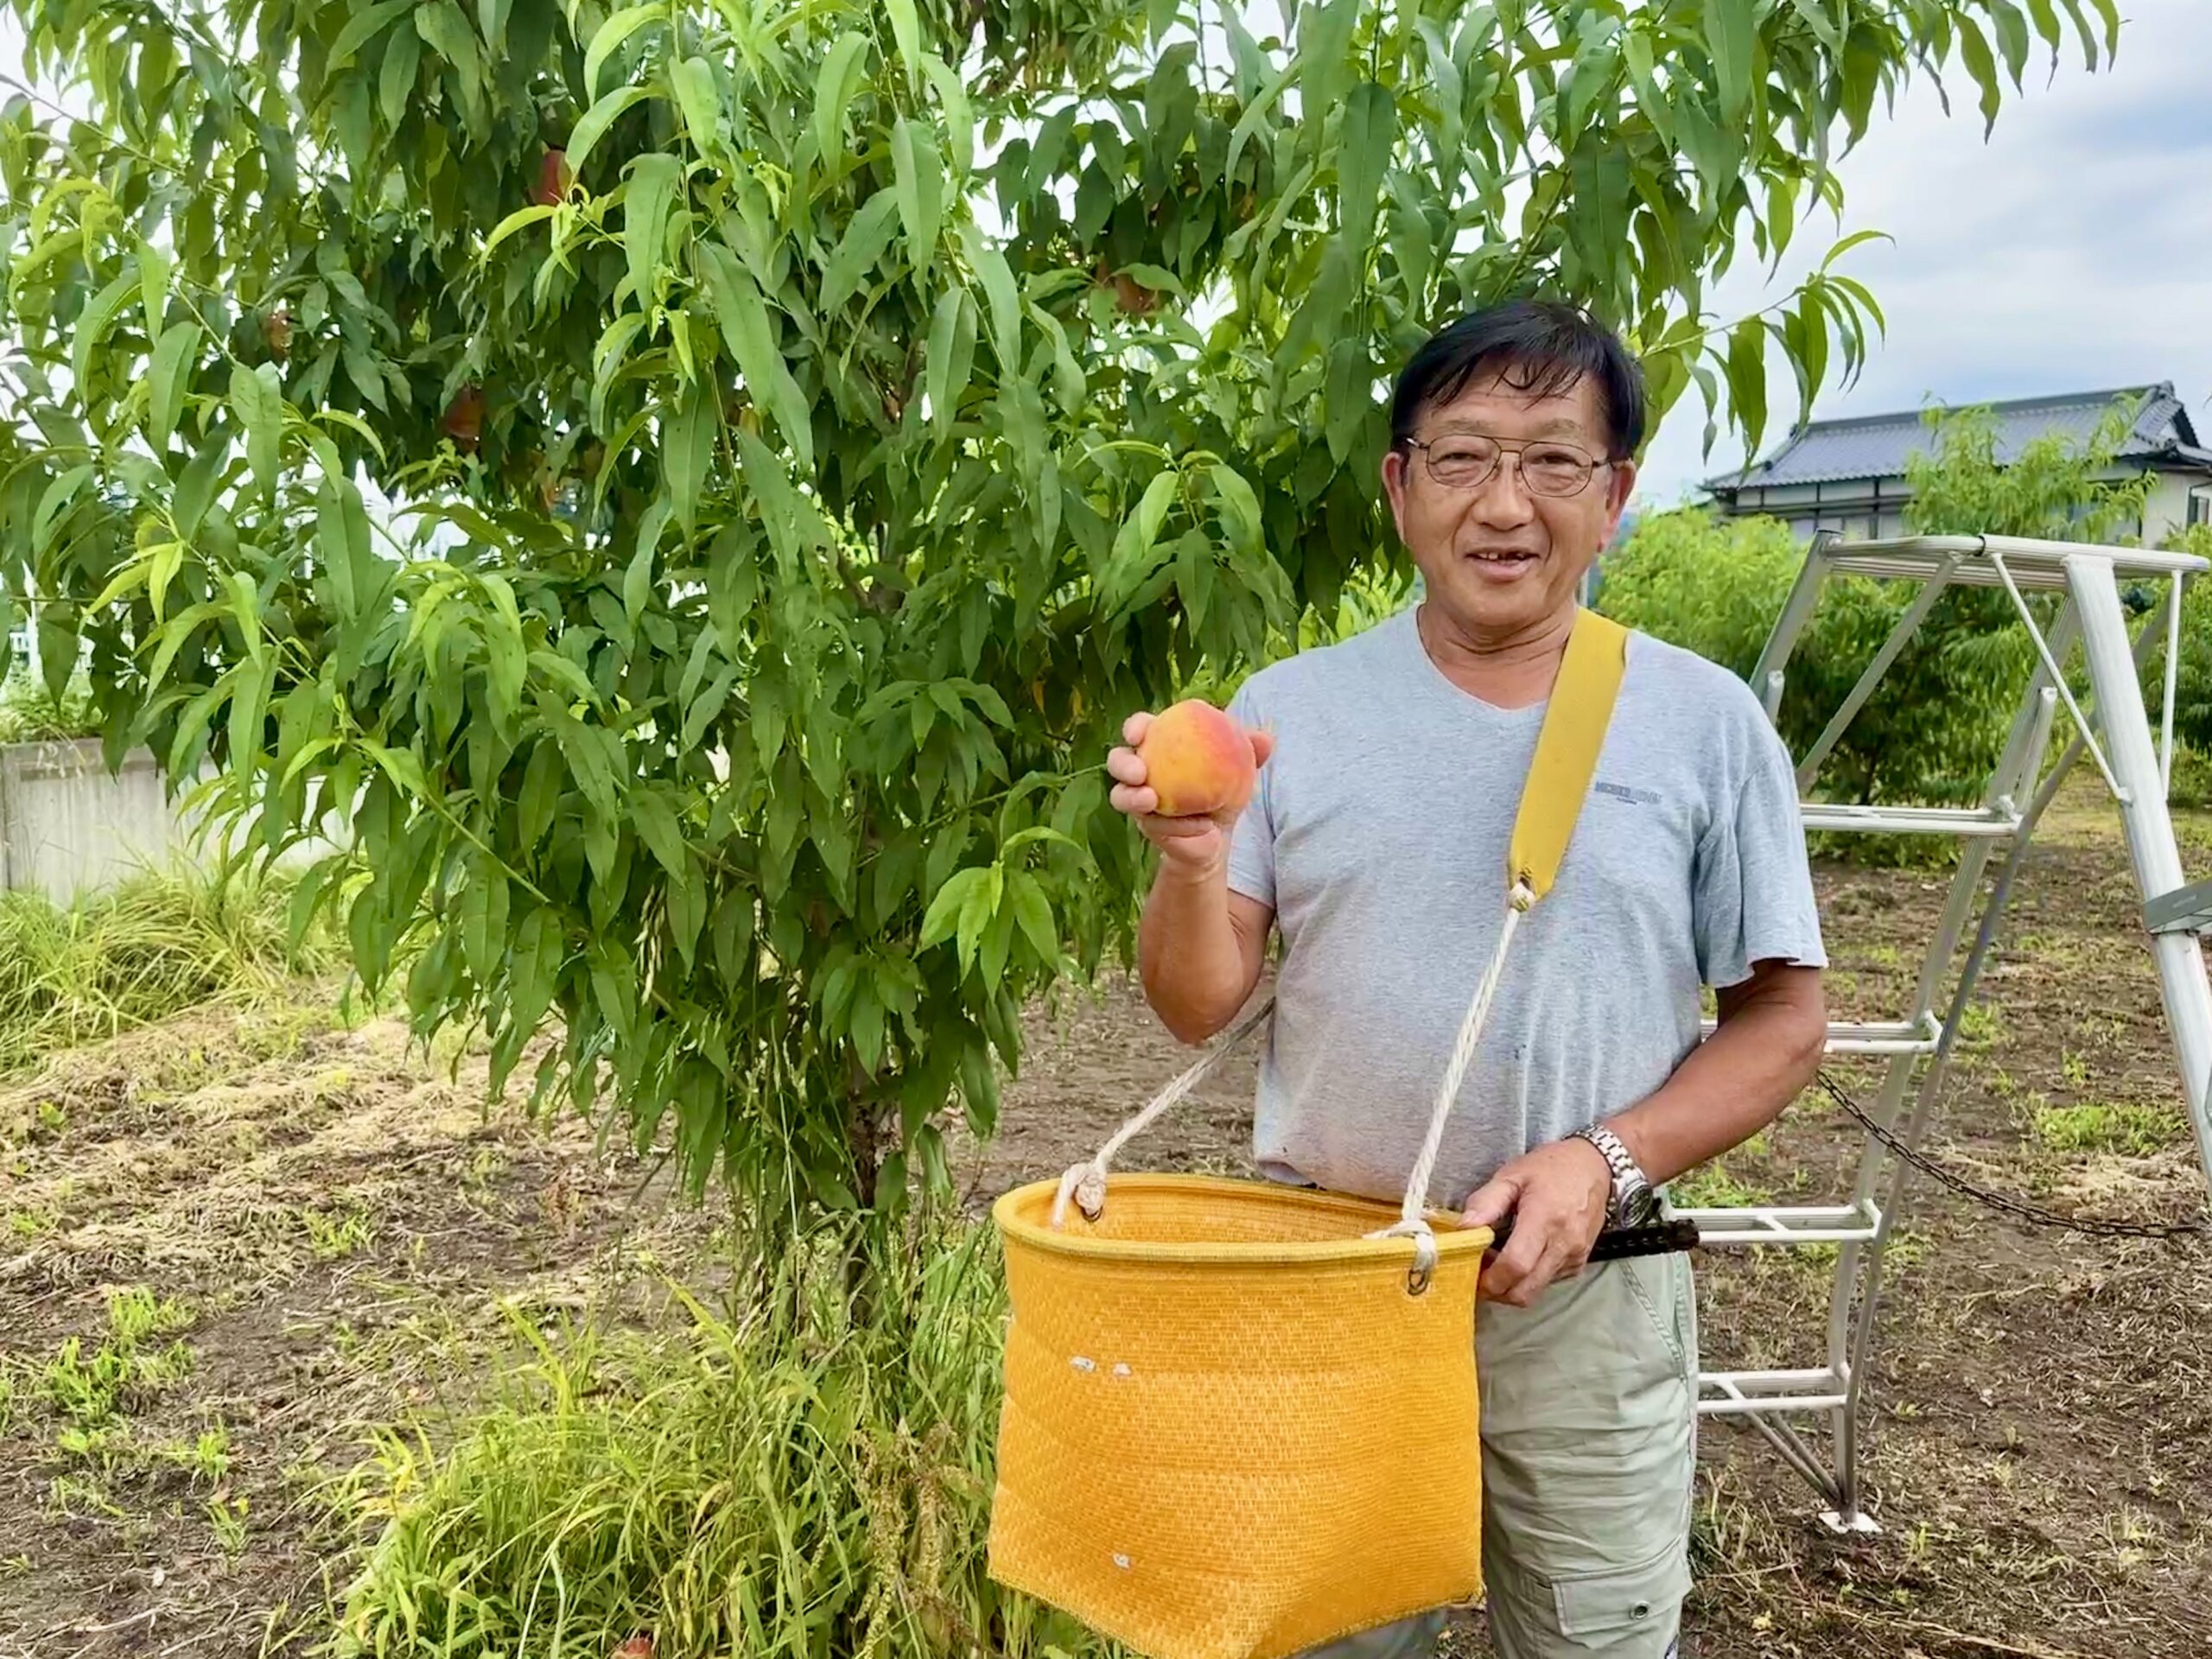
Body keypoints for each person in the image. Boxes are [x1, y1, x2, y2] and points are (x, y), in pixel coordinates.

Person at [1106, 298, 1829, 1658]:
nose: (1507, 502)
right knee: (1330, 1639)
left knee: (1595, 1640)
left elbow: (1786, 1021)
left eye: (1555, 461)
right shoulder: (1289, 711)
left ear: (1615, 496)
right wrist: (1193, 860)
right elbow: (1196, 1002)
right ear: (1400, 487)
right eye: (1463, 457)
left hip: (1587, 1294)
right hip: (1330, 1280)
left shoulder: (1703, 722)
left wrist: (1605, 1158)